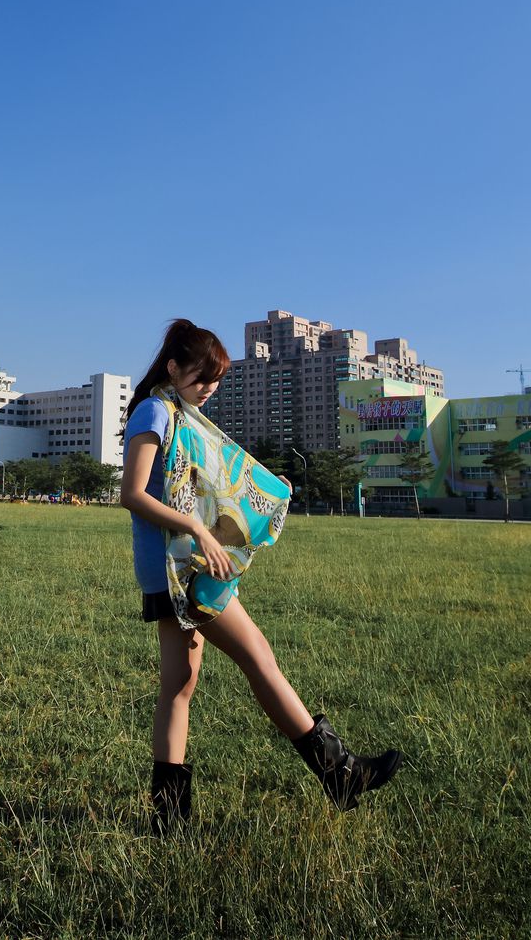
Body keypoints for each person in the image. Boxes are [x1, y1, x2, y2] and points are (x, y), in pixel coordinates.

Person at [120, 318, 403, 833]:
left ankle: (169, 817)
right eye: (202, 378)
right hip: (179, 568)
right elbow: (133, 494)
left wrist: (268, 488)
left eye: (217, 380)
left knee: (179, 685)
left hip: (180, 567)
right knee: (258, 659)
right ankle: (341, 773)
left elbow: (220, 474)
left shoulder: (179, 413)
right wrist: (200, 533)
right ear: (173, 368)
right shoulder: (154, 412)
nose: (210, 389)